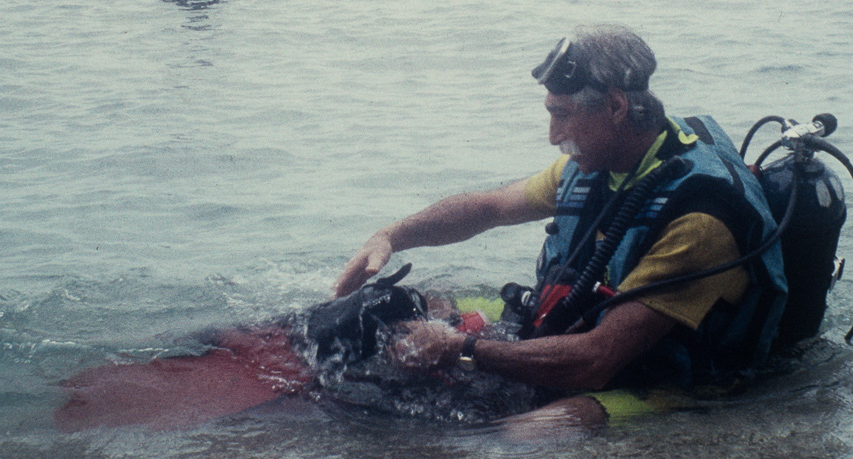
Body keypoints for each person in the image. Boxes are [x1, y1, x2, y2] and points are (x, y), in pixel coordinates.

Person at [334, 25, 787, 429]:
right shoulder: (603, 160)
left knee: (520, 437)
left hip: (677, 381)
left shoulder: (699, 219)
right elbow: (491, 207)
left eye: (563, 115)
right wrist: (391, 235)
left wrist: (462, 349)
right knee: (424, 307)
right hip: (586, 329)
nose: (553, 135)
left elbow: (597, 361)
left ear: (616, 106)